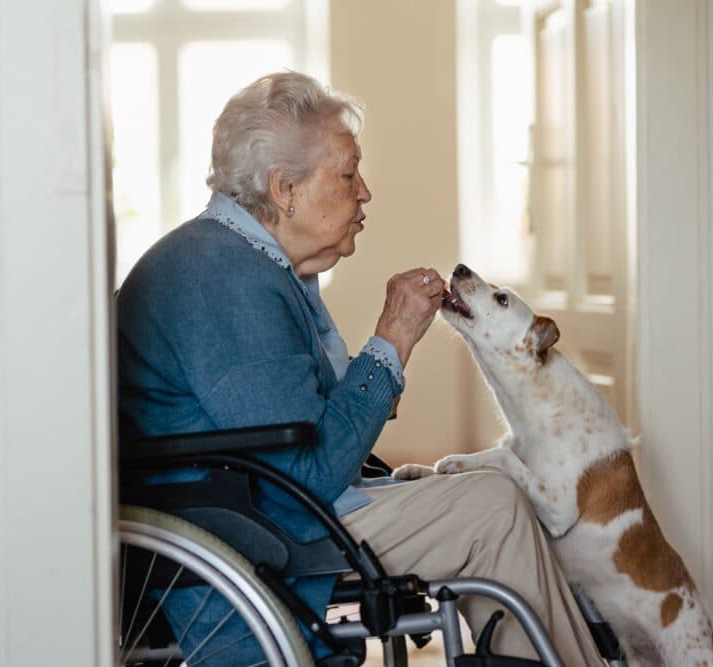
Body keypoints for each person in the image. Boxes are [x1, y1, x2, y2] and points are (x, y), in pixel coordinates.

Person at [117, 71, 602, 666]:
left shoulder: (238, 261)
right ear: (285, 188)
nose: (365, 191)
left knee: (477, 495)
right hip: (256, 525)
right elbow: (312, 472)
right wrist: (393, 337)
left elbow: (301, 432)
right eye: (347, 174)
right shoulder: (225, 279)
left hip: (254, 503)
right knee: (493, 508)